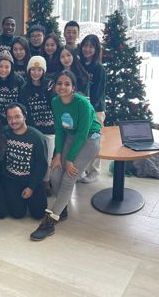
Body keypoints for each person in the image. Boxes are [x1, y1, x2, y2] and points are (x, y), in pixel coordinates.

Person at [30, 70, 101, 241]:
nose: (62, 87)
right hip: (69, 137)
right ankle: (62, 209)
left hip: (90, 138)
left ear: (73, 87)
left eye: (67, 83)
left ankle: (50, 221)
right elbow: (60, 131)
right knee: (55, 173)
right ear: (54, 86)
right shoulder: (55, 102)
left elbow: (83, 133)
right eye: (59, 83)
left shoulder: (82, 103)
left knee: (69, 176)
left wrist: (69, 160)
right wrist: (58, 154)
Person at [2, 103, 48, 219]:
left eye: (17, 116)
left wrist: (31, 187)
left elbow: (41, 165)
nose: (13, 121)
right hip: (12, 179)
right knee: (17, 214)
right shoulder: (4, 132)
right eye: (9, 118)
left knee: (39, 214)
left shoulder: (37, 138)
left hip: (31, 180)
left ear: (25, 116)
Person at [18, 56, 56, 195]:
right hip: (34, 128)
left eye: (39, 69)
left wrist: (47, 92)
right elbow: (24, 110)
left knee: (48, 157)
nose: (36, 73)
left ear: (43, 71)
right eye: (33, 69)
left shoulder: (49, 84)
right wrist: (32, 129)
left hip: (50, 128)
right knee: (35, 157)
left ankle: (45, 181)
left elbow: (54, 104)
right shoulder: (24, 88)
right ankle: (35, 181)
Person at [79, 34, 106, 183]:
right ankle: (82, 169)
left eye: (91, 46)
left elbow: (98, 93)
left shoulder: (99, 68)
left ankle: (94, 171)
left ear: (96, 49)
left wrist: (92, 111)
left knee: (95, 140)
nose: (87, 49)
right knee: (83, 141)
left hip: (96, 111)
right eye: (85, 45)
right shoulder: (80, 64)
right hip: (81, 110)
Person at [0, 50, 25, 125]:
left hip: (15, 121)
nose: (3, 70)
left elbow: (23, 102)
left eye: (7, 67)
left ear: (11, 68)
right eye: (0, 66)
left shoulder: (19, 80)